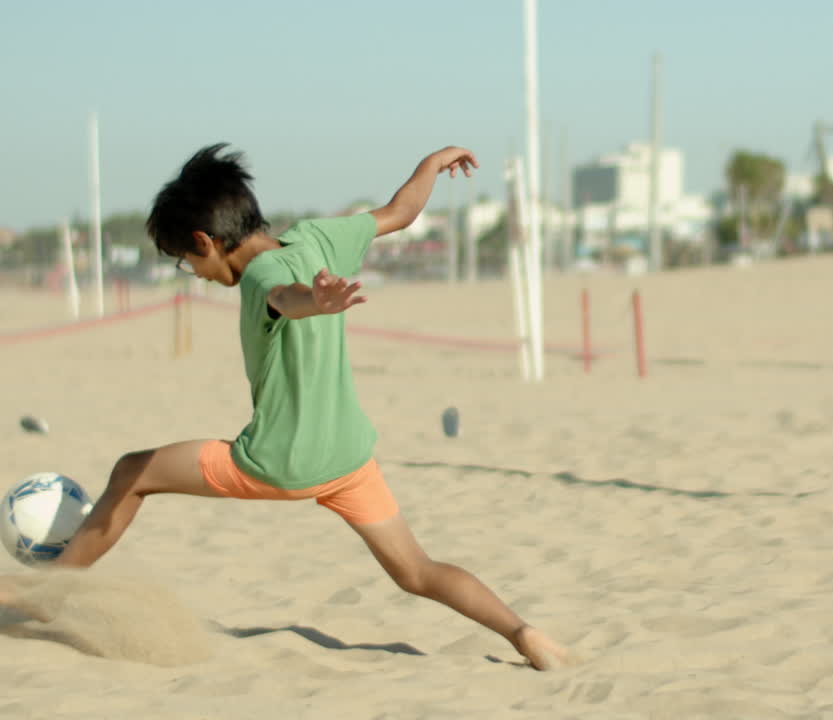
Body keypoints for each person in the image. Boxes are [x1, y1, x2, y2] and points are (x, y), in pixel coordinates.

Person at [1, 143, 572, 671]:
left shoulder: (260, 277)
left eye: (186, 260)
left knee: (132, 471)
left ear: (205, 241)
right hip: (348, 457)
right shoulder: (318, 237)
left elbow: (282, 298)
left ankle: (50, 594)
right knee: (416, 570)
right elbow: (400, 212)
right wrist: (431, 164)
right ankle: (523, 634)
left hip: (278, 462)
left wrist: (313, 301)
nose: (194, 274)